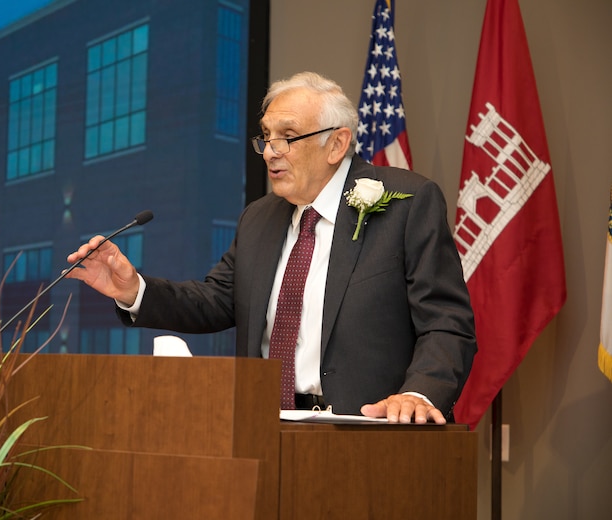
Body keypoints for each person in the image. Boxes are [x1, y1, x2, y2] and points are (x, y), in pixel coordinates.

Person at [66, 71, 476, 424]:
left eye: (288, 137)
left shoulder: (407, 202)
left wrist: (419, 394)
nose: (271, 151)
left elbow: (446, 322)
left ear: (337, 145)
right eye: (265, 137)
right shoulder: (260, 218)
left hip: (370, 435)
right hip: (265, 427)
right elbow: (216, 300)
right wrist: (133, 291)